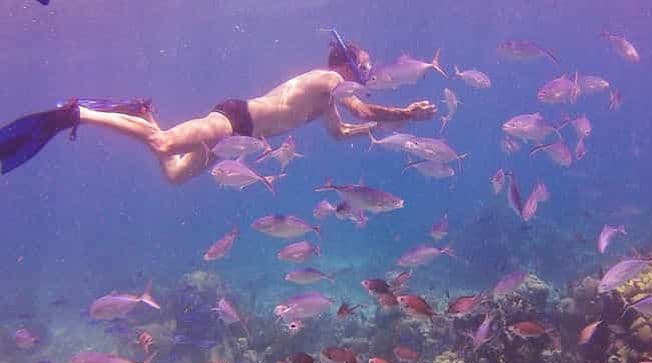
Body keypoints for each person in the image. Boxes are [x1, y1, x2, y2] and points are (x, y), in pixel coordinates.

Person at [0, 32, 436, 183]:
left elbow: (342, 131)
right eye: (365, 64)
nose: (369, 70)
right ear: (346, 63)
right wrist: (404, 116)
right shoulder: (331, 80)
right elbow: (360, 110)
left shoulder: (328, 101)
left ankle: (139, 110)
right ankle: (76, 114)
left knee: (172, 175)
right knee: (165, 143)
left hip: (239, 143)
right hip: (234, 119)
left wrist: (377, 134)